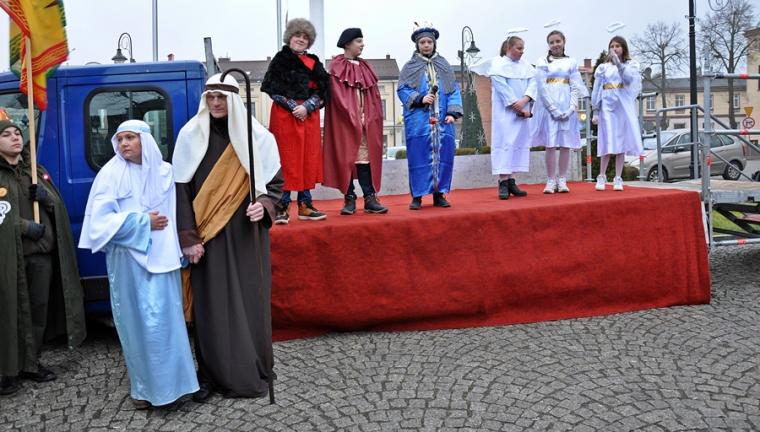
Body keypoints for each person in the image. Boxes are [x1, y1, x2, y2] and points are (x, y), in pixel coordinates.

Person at [174, 73, 283, 401]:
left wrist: (264, 206)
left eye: (222, 97)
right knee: (211, 307)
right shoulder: (190, 136)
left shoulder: (258, 138)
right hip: (207, 236)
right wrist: (189, 238)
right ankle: (210, 375)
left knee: (250, 302)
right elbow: (180, 192)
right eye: (211, 97)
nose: (216, 103)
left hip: (247, 235)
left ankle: (254, 367)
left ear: (234, 100)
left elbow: (276, 187)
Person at [79, 120, 198, 409]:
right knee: (136, 325)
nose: (124, 144)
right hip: (128, 261)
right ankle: (144, 390)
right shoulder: (110, 174)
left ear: (145, 140)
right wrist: (142, 222)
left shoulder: (165, 172)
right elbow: (99, 223)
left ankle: (178, 386)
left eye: (130, 138)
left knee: (168, 324)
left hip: (164, 258)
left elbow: (177, 212)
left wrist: (183, 245)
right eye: (120, 139)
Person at [0, 118, 86, 396]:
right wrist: (24, 227)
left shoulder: (35, 171)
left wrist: (45, 198)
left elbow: (57, 205)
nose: (15, 137)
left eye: (17, 133)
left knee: (38, 310)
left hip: (40, 256)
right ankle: (7, 369)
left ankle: (31, 363)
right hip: (9, 258)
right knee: (9, 311)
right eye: (6, 134)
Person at [262, 18, 330, 224]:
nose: (301, 39)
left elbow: (324, 90)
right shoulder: (279, 60)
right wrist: (293, 107)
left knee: (308, 158)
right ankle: (282, 205)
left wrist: (307, 106)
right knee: (285, 158)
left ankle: (305, 204)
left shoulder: (314, 62)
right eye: (297, 35)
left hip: (308, 116)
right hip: (285, 116)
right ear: (289, 37)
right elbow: (272, 88)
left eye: (305, 37)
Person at [397, 23, 463, 210]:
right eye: (422, 42)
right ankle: (417, 196)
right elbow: (402, 89)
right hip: (419, 121)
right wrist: (420, 98)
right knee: (418, 157)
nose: (426, 45)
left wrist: (452, 113)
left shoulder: (445, 66)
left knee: (443, 156)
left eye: (429, 42)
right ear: (417, 45)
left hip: (443, 121)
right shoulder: (409, 67)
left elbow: (453, 90)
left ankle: (439, 194)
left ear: (434, 44)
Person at [323, 28, 388, 215]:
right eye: (358, 41)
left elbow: (374, 96)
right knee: (346, 159)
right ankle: (349, 197)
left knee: (365, 159)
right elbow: (337, 97)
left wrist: (369, 116)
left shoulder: (365, 67)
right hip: (344, 123)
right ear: (347, 44)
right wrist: (352, 116)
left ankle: (369, 198)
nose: (362, 44)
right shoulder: (336, 67)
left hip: (366, 122)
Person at [471, 36, 536, 200]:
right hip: (505, 113)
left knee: (518, 143)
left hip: (521, 110)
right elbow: (501, 87)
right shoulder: (498, 65)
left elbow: (533, 83)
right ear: (509, 48)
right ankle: (503, 181)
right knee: (505, 143)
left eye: (523, 48)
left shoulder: (526, 66)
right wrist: (515, 103)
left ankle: (512, 180)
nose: (522, 51)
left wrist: (525, 100)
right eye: (519, 48)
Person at [533, 30, 588, 194]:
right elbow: (541, 87)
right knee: (550, 144)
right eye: (551, 42)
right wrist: (552, 109)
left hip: (566, 107)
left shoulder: (571, 62)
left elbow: (575, 86)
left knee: (565, 144)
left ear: (564, 42)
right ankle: (551, 180)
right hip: (549, 108)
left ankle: (562, 179)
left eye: (558, 41)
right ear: (548, 45)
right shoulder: (542, 61)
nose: (555, 44)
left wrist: (572, 107)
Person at [591, 36, 643, 191]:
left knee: (620, 141)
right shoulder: (603, 68)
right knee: (607, 140)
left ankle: (618, 177)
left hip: (622, 106)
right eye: (612, 46)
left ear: (623, 48)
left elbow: (628, 80)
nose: (614, 48)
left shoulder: (630, 65)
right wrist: (595, 110)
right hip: (607, 105)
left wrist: (619, 64)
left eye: (618, 46)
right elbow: (597, 89)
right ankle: (601, 175)